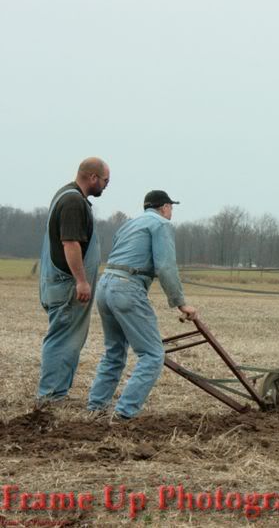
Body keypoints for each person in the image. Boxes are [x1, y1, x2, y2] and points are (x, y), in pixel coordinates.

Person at [87, 190, 197, 421]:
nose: (171, 212)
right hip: (127, 288)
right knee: (152, 355)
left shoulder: (130, 224)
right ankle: (124, 414)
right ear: (165, 207)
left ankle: (96, 407)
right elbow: (165, 267)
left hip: (105, 285)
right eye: (171, 208)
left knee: (114, 352)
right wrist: (180, 303)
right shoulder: (161, 225)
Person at [37, 157, 111, 408]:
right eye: (105, 180)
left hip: (60, 283)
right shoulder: (72, 201)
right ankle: (49, 397)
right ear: (93, 178)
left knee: (68, 340)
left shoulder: (65, 195)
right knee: (61, 339)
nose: (106, 185)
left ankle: (57, 394)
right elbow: (70, 243)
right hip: (68, 285)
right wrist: (81, 281)